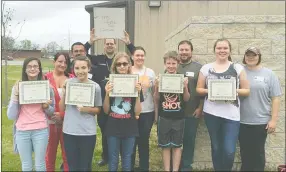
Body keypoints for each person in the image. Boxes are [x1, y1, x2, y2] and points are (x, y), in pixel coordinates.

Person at [196, 38, 250, 171]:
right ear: (214, 50)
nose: (222, 50)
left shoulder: (238, 68)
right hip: (211, 113)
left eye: (225, 48)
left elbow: (246, 90)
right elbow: (198, 89)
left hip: (231, 115)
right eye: (219, 48)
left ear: (230, 50)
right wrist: (213, 91)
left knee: (229, 150)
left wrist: (231, 90)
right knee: (216, 147)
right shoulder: (206, 68)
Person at [84, 28, 135, 166]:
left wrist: (129, 44)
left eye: (112, 43)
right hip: (103, 101)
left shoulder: (121, 60)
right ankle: (106, 156)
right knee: (106, 131)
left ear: (115, 45)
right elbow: (81, 55)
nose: (110, 45)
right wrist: (90, 42)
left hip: (120, 103)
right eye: (107, 43)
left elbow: (136, 55)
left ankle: (123, 157)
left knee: (120, 131)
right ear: (104, 45)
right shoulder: (96, 59)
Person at [7, 57, 55, 171]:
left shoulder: (47, 88)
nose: (32, 69)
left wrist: (46, 106)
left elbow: (52, 112)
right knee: (26, 165)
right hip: (22, 131)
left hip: (40, 130)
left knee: (40, 164)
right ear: (25, 69)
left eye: (35, 66)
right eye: (29, 66)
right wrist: (16, 97)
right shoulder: (18, 87)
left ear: (39, 69)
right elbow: (11, 115)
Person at [239, 47, 282, 171]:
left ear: (259, 56)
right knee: (245, 153)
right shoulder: (239, 72)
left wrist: (273, 120)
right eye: (248, 55)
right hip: (241, 120)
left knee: (258, 154)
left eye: (254, 55)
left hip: (260, 121)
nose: (251, 57)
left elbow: (276, 98)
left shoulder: (269, 74)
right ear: (244, 57)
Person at [59, 56, 102, 171]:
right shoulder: (68, 84)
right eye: (77, 68)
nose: (80, 71)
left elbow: (98, 109)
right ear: (73, 69)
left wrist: (86, 109)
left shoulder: (95, 87)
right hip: (69, 131)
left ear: (89, 68)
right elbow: (61, 108)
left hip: (87, 132)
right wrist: (64, 93)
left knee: (85, 166)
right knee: (72, 166)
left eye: (83, 67)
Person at [103, 52, 143, 171]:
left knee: (127, 159)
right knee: (113, 159)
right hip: (113, 127)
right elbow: (105, 111)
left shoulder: (136, 84)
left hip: (130, 127)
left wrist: (137, 94)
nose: (122, 66)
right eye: (118, 64)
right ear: (114, 66)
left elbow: (137, 112)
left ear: (129, 65)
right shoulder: (108, 83)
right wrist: (106, 93)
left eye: (124, 64)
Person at [154, 51, 190, 171]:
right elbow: (157, 99)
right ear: (164, 64)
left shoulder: (182, 78)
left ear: (178, 64)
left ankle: (175, 170)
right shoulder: (160, 78)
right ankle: (167, 169)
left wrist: (185, 87)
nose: (171, 66)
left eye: (173, 63)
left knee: (177, 146)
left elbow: (186, 99)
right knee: (165, 146)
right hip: (164, 116)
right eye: (168, 63)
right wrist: (156, 87)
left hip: (178, 117)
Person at [44, 52, 74, 172]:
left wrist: (62, 115)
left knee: (67, 154)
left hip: (67, 121)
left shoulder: (72, 78)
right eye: (60, 61)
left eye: (65, 62)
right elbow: (42, 101)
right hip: (49, 121)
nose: (62, 64)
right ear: (54, 62)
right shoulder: (45, 78)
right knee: (49, 154)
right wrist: (52, 113)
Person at [176, 40, 203, 171]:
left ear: (191, 51)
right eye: (181, 49)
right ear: (178, 51)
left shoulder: (199, 68)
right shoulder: (172, 66)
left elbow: (204, 90)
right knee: (175, 141)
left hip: (192, 112)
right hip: (174, 112)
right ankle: (175, 166)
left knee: (189, 141)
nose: (184, 52)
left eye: (186, 50)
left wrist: (200, 108)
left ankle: (186, 167)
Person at [130, 46, 156, 171]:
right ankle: (129, 165)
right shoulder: (128, 71)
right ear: (132, 57)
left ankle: (144, 167)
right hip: (131, 111)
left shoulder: (151, 72)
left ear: (144, 57)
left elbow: (154, 93)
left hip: (147, 111)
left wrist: (156, 112)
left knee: (144, 140)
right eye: (137, 55)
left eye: (142, 55)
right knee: (131, 140)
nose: (140, 58)